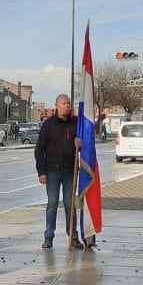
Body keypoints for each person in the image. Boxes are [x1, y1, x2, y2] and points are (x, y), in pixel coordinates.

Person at [34, 94, 83, 249]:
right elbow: (39, 150)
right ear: (57, 105)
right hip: (52, 171)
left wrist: (80, 143)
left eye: (69, 103)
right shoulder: (49, 124)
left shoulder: (76, 123)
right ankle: (48, 236)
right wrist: (41, 172)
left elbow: (86, 144)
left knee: (70, 205)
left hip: (70, 171)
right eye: (64, 103)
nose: (67, 106)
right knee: (53, 204)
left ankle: (73, 237)